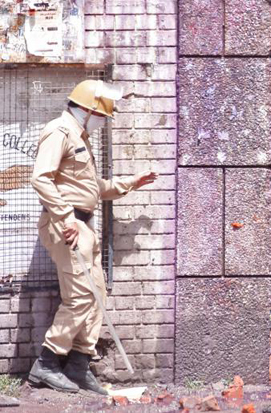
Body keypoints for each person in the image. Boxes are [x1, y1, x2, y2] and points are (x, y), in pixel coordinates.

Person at [29, 80, 158, 393]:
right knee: (81, 296)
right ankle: (46, 363)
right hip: (67, 225)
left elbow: (91, 187)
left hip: (83, 226)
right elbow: (40, 178)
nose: (103, 120)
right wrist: (65, 217)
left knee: (96, 293)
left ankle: (78, 363)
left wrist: (131, 183)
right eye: (101, 115)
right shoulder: (59, 131)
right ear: (86, 110)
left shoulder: (79, 136)